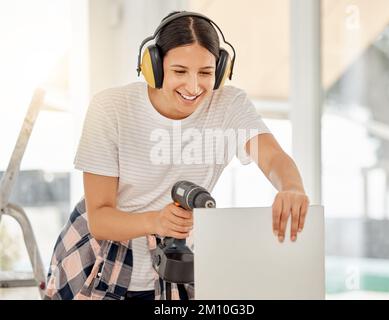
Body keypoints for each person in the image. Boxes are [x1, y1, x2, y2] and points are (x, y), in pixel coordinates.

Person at [44, 11, 309, 300]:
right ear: (154, 67)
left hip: (174, 258)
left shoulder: (229, 105)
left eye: (206, 73)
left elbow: (273, 158)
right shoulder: (111, 108)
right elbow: (100, 220)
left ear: (220, 71)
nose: (194, 87)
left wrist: (292, 188)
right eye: (180, 71)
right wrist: (155, 221)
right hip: (100, 260)